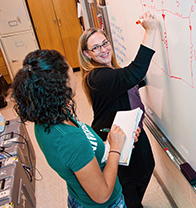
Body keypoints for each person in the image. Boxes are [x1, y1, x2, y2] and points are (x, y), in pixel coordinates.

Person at [11, 49, 141, 207]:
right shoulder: (68, 139)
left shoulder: (49, 116)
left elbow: (81, 155)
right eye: (70, 71)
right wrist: (115, 149)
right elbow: (102, 194)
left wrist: (113, 142)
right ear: (61, 85)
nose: (75, 75)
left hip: (78, 196)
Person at [78, 12, 157, 208]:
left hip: (131, 129)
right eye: (95, 48)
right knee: (127, 182)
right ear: (87, 54)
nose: (104, 49)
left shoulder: (108, 69)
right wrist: (151, 31)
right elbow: (133, 73)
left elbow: (126, 83)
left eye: (105, 43)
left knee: (147, 167)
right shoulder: (97, 77)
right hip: (114, 136)